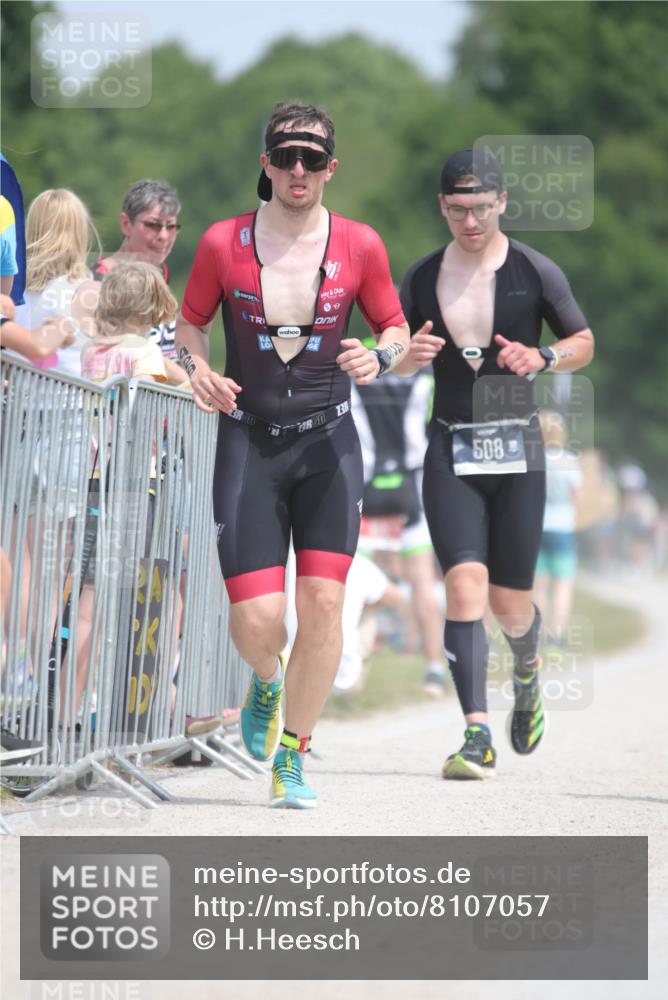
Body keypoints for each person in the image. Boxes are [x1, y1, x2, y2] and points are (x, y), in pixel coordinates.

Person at [175, 101, 409, 808]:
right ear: (266, 164)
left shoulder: (360, 244)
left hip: (328, 442)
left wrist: (382, 356)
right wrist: (197, 373)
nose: (298, 170)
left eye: (312, 158)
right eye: (286, 156)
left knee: (326, 604)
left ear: (331, 167)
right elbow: (187, 328)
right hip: (248, 441)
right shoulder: (223, 242)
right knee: (257, 623)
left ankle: (293, 757)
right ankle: (266, 684)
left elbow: (393, 325)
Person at [396, 147, 594, 780]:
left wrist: (544, 359)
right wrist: (408, 356)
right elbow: (394, 352)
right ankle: (475, 733)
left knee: (511, 605)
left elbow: (583, 342)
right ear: (442, 208)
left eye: (481, 208)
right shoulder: (423, 276)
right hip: (450, 446)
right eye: (457, 210)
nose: (470, 221)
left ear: (503, 202)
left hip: (518, 450)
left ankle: (528, 670)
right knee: (462, 586)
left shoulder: (536, 271)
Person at [351, 365, 447, 695]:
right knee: (422, 579)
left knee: (352, 579)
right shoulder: (425, 372)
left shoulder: (356, 358)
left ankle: (350, 673)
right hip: (411, 484)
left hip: (366, 482)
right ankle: (434, 668)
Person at [93, 179, 185, 385]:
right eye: (153, 225)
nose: (163, 236)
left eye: (171, 227)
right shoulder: (94, 280)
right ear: (126, 224)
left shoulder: (162, 275)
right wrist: (188, 383)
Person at [533, 410, 582, 650]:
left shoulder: (533, 459)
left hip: (537, 526)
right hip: (562, 528)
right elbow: (576, 495)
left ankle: (540, 634)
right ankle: (557, 637)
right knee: (562, 584)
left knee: (539, 585)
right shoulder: (569, 461)